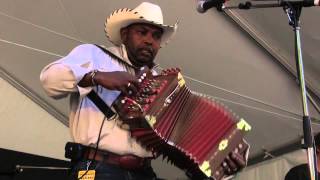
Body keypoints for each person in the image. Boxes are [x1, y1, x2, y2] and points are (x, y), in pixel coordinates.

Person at [40, 2, 243, 180]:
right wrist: (97, 76)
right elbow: (49, 81)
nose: (149, 41)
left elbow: (181, 137)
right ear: (124, 34)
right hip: (96, 168)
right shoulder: (94, 54)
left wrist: (221, 160)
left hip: (143, 172)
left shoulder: (163, 82)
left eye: (156, 36)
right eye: (142, 32)